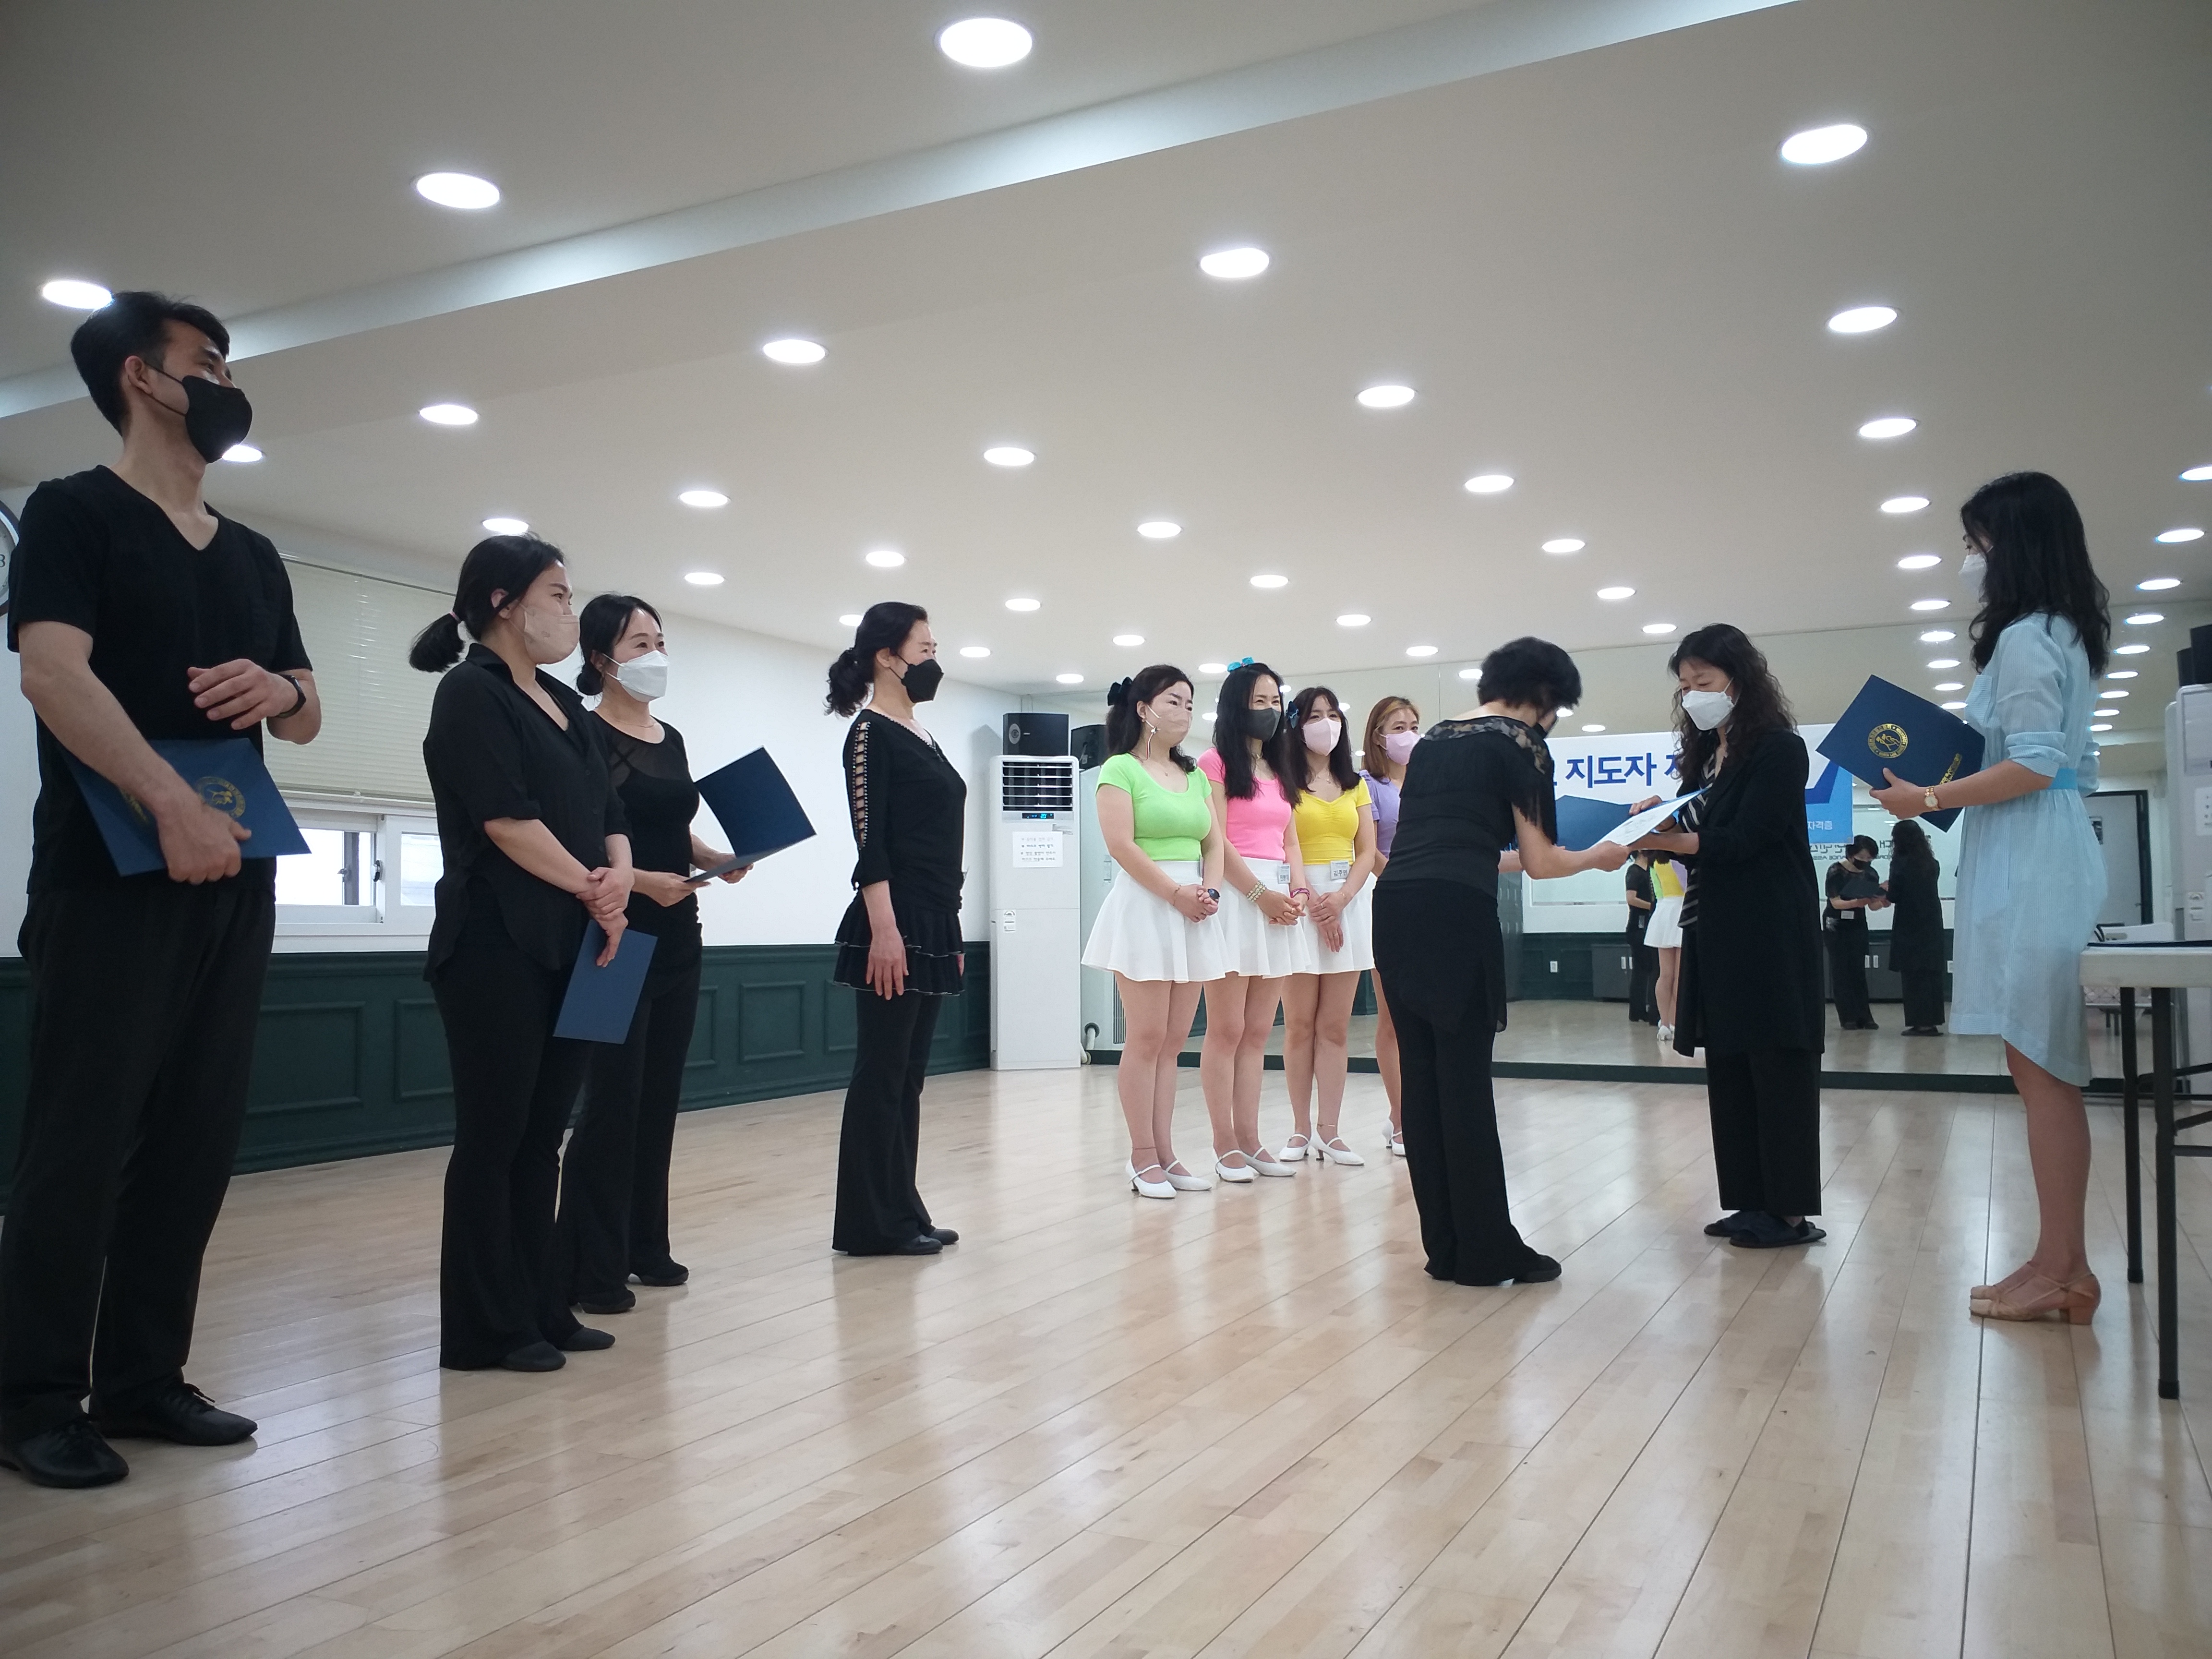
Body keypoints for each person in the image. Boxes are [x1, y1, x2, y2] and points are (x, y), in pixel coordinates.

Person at [0, 292, 321, 1488]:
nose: (229, 384)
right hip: (107, 874)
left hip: (238, 878)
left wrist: (282, 692)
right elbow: (51, 672)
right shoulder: (71, 513)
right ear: (142, 376)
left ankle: (143, 1378)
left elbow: (308, 705)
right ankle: (32, 1396)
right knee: (79, 1144)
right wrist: (166, 801)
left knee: (194, 1137)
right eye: (209, 364)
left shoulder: (254, 553)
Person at [1873, 471, 2109, 1323]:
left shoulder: (2026, 637)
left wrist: (1928, 797)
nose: (1970, 559)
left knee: (2043, 1064)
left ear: (2014, 546)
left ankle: (2064, 1269)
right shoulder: (2060, 632)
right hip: (2036, 842)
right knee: (2037, 1062)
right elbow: (2056, 762)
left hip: (2031, 850)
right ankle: (2055, 1259)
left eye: (1977, 544)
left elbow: (2035, 762)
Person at [411, 535, 630, 1373]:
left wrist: (614, 879)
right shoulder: (471, 693)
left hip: (585, 942)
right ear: (504, 603)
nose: (572, 612)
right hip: (496, 944)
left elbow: (610, 812)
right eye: (559, 595)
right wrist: (595, 888)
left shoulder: (566, 705)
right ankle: (484, 1328)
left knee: (545, 1136)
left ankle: (541, 1306)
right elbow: (505, 821)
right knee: (494, 1136)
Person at [1371, 638, 1628, 1286]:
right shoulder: (1522, 744)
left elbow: (1465, 845)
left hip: (1396, 905)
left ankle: (1447, 1247)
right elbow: (1542, 863)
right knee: (1463, 1079)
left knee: (1423, 1079)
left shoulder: (1435, 739)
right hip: (1457, 912)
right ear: (1543, 699)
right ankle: (1488, 1251)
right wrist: (1599, 858)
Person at [553, 596, 748, 1314]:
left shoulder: (672, 738)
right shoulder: (582, 732)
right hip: (609, 935)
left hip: (678, 933)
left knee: (659, 1096)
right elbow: (582, 836)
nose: (656, 655)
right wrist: (641, 882)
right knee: (610, 1102)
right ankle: (589, 1265)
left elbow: (669, 827)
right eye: (640, 644)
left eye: (660, 641)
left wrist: (713, 858)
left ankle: (645, 1244)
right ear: (601, 658)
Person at [1635, 624, 1827, 1251]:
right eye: (1686, 685)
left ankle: (1789, 1211)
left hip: (1769, 930)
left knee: (1777, 1064)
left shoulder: (1778, 749)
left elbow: (1747, 838)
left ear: (1740, 682)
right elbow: (1695, 835)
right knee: (1731, 1065)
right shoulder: (1705, 759)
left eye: (1705, 682)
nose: (1693, 695)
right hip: (1716, 927)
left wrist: (1670, 837)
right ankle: (1750, 1200)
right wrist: (1657, 821)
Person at [826, 602, 965, 1255]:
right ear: (888, 656)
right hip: (894, 918)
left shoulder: (921, 733)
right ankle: (869, 1224)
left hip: (934, 917)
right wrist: (885, 931)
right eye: (925, 649)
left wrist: (952, 932)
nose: (935, 661)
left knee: (908, 1075)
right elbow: (870, 842)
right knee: (882, 1072)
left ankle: (903, 1209)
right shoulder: (868, 734)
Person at [1081, 666, 1225, 1198]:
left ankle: (1166, 1153)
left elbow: (1214, 842)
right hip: (1147, 905)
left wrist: (1210, 892)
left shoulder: (1196, 776)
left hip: (1194, 909)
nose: (1184, 711)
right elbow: (1121, 845)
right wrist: (1175, 893)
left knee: (1173, 1041)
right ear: (1143, 709)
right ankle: (1141, 1155)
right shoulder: (1119, 769)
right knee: (1146, 1038)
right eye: (1173, 701)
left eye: (1189, 703)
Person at [1197, 661, 1311, 1183]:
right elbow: (1216, 840)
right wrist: (1261, 895)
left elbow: (1291, 841)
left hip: (1279, 902)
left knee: (1259, 1031)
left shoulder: (1281, 767)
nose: (1270, 710)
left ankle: (1250, 1138)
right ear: (1235, 706)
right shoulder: (1214, 763)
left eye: (1275, 702)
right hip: (1239, 897)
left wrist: (1299, 891)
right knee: (1227, 1029)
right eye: (1259, 701)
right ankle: (1224, 1143)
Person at [1279, 686, 1377, 1168]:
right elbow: (1284, 845)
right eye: (1315, 715)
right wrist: (1314, 901)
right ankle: (1300, 1129)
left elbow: (1367, 851)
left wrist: (1340, 900)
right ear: (1297, 725)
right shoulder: (1282, 780)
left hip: (1348, 903)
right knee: (1299, 1025)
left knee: (1334, 1027)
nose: (1326, 723)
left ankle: (1330, 1132)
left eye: (1333, 715)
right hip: (1299, 902)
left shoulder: (1355, 783)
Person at [1360, 696, 1421, 1156]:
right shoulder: (1369, 785)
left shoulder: (1429, 782)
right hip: (1388, 899)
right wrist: (1400, 882)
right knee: (1394, 1016)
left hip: (1431, 901)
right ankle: (1401, 1119)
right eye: (1399, 726)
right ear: (1379, 736)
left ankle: (1418, 1110)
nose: (1409, 733)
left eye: (1414, 725)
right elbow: (1368, 849)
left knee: (1424, 1015)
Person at [1885, 821, 1947, 1034]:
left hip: (1909, 925)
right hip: (1932, 923)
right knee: (1931, 974)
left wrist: (1884, 890)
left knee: (1913, 976)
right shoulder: (1932, 863)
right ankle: (1933, 1021)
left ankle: (1921, 1023)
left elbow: (1894, 895)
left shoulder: (1899, 863)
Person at [1823, 834, 1887, 1031]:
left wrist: (1883, 901)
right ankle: (1848, 1017)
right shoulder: (1836, 871)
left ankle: (1865, 1016)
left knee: (1858, 970)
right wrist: (1857, 902)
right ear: (1851, 855)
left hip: (1858, 923)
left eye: (1870, 858)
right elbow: (1836, 902)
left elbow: (1873, 906)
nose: (1866, 862)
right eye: (1862, 857)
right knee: (1841, 970)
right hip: (1836, 924)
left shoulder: (1871, 874)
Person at [1646, 853, 1686, 1042]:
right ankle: (1679, 1022)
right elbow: (1687, 886)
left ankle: (1665, 1024)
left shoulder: (1654, 861)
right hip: (1681, 909)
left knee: (1665, 975)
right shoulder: (1679, 859)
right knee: (1680, 976)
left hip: (1663, 911)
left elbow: (1658, 892)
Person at [1624, 850, 1659, 1024]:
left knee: (1647, 969)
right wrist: (1652, 906)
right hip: (1638, 927)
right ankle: (1637, 1010)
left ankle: (1641, 1010)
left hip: (1648, 924)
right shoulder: (1634, 871)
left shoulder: (1650, 870)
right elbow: (1631, 899)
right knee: (1642, 970)